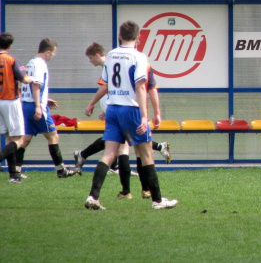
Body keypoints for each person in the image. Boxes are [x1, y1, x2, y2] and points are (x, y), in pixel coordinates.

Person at [84, 20, 177, 210]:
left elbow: (108, 84)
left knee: (109, 154)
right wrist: (145, 117)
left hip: (113, 109)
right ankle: (157, 200)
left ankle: (93, 197)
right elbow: (141, 87)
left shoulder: (110, 55)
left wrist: (94, 103)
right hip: (130, 110)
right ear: (138, 37)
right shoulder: (139, 57)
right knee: (146, 154)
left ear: (120, 36)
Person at [16, 38, 79, 178]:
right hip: (35, 106)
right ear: (48, 52)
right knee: (53, 136)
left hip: (25, 104)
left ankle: (16, 171)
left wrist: (44, 99)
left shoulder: (31, 62)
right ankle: (61, 170)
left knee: (25, 139)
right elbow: (36, 85)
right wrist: (39, 105)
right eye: (54, 53)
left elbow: (28, 85)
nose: (54, 56)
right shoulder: (40, 64)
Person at [0, 33, 33, 183]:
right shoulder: (11, 59)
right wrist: (31, 78)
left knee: (9, 138)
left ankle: (13, 175)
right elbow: (24, 79)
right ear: (10, 46)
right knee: (19, 140)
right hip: (10, 101)